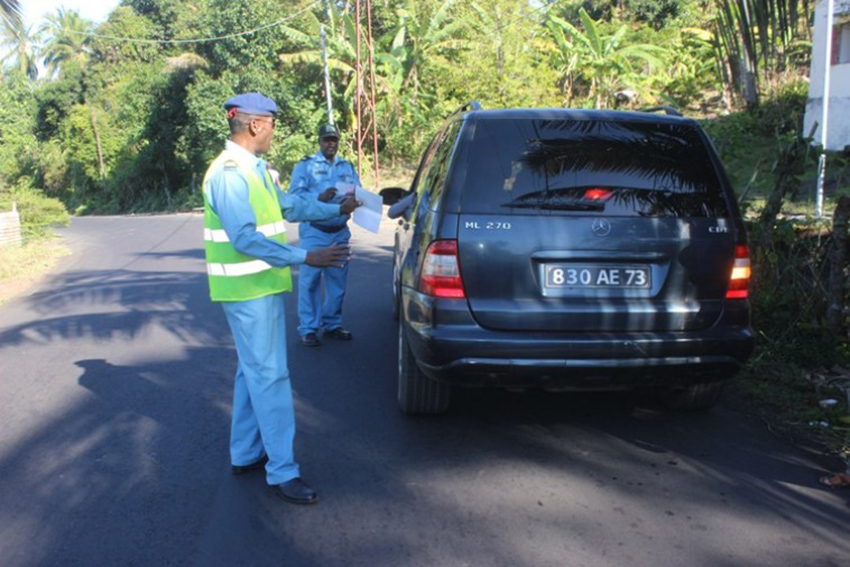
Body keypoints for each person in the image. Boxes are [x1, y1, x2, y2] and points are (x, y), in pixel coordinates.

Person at [202, 93, 359, 505]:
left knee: (251, 371)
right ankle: (282, 471)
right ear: (255, 125)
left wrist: (336, 208)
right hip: (247, 291)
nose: (274, 131)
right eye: (271, 123)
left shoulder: (256, 171)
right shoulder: (230, 174)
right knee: (270, 376)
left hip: (260, 288)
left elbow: (288, 206)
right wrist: (307, 255)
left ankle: (245, 452)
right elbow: (244, 237)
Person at [289, 124, 360, 347]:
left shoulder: (347, 166)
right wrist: (318, 197)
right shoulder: (306, 165)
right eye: (327, 139)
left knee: (337, 283)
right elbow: (295, 198)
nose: (331, 143)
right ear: (319, 141)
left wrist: (355, 200)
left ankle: (332, 325)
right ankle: (309, 328)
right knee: (309, 282)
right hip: (315, 232)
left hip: (339, 232)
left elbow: (358, 191)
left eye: (334, 140)